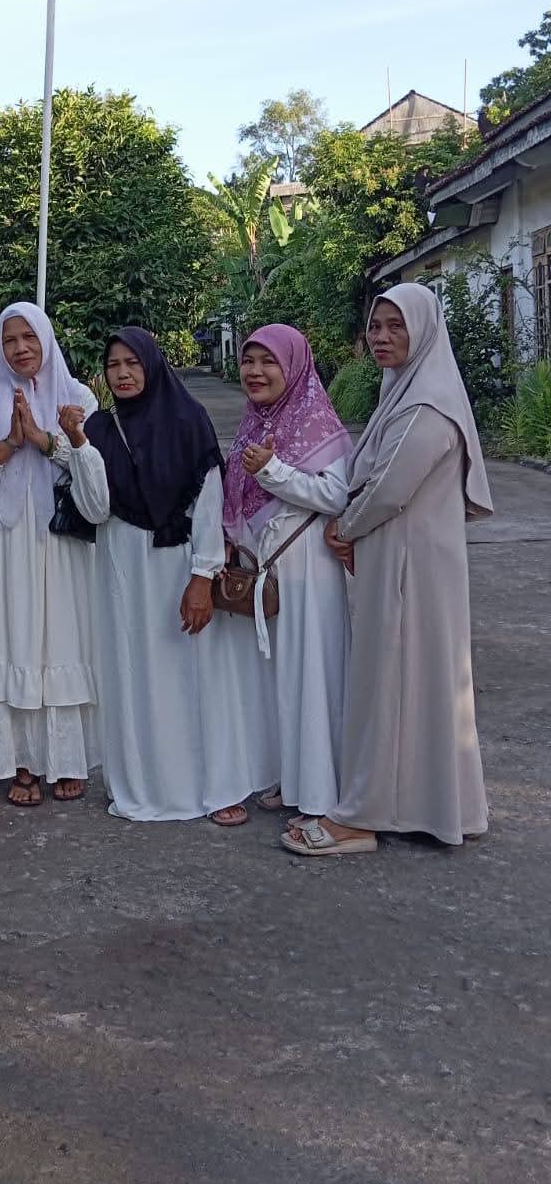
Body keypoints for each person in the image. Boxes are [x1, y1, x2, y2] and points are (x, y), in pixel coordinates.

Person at [285, 283, 493, 856]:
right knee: (419, 684)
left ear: (422, 330)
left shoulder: (427, 403)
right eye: (375, 327)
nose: (381, 337)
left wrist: (342, 527)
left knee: (387, 683)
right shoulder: (405, 391)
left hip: (408, 569)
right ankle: (437, 808)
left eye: (395, 327)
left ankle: (360, 818)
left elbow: (388, 489)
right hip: (409, 563)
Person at [79, 327, 265, 823]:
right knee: (135, 673)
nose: (122, 374)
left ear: (153, 365)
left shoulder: (187, 420)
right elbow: (92, 507)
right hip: (122, 564)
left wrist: (203, 576)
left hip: (178, 562)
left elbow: (208, 502)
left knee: (195, 675)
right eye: (113, 365)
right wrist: (70, 447)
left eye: (132, 364)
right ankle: (145, 783)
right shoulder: (97, 429)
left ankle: (216, 787)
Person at [0, 302, 107, 807]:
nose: (20, 348)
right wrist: (10, 444)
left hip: (59, 541)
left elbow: (94, 480)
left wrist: (49, 440)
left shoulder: (77, 396)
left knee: (57, 639)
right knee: (11, 637)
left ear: (46, 339)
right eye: (10, 339)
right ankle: (19, 762)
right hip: (2, 542)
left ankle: (64, 759)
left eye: (29, 337)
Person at [220, 325, 353, 821]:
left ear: (293, 366)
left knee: (311, 678)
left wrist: (273, 470)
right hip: (267, 573)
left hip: (307, 572)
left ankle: (319, 793)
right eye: (248, 360)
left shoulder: (320, 426)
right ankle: (290, 778)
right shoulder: (253, 423)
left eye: (267, 361)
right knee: (278, 680)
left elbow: (336, 496)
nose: (255, 372)